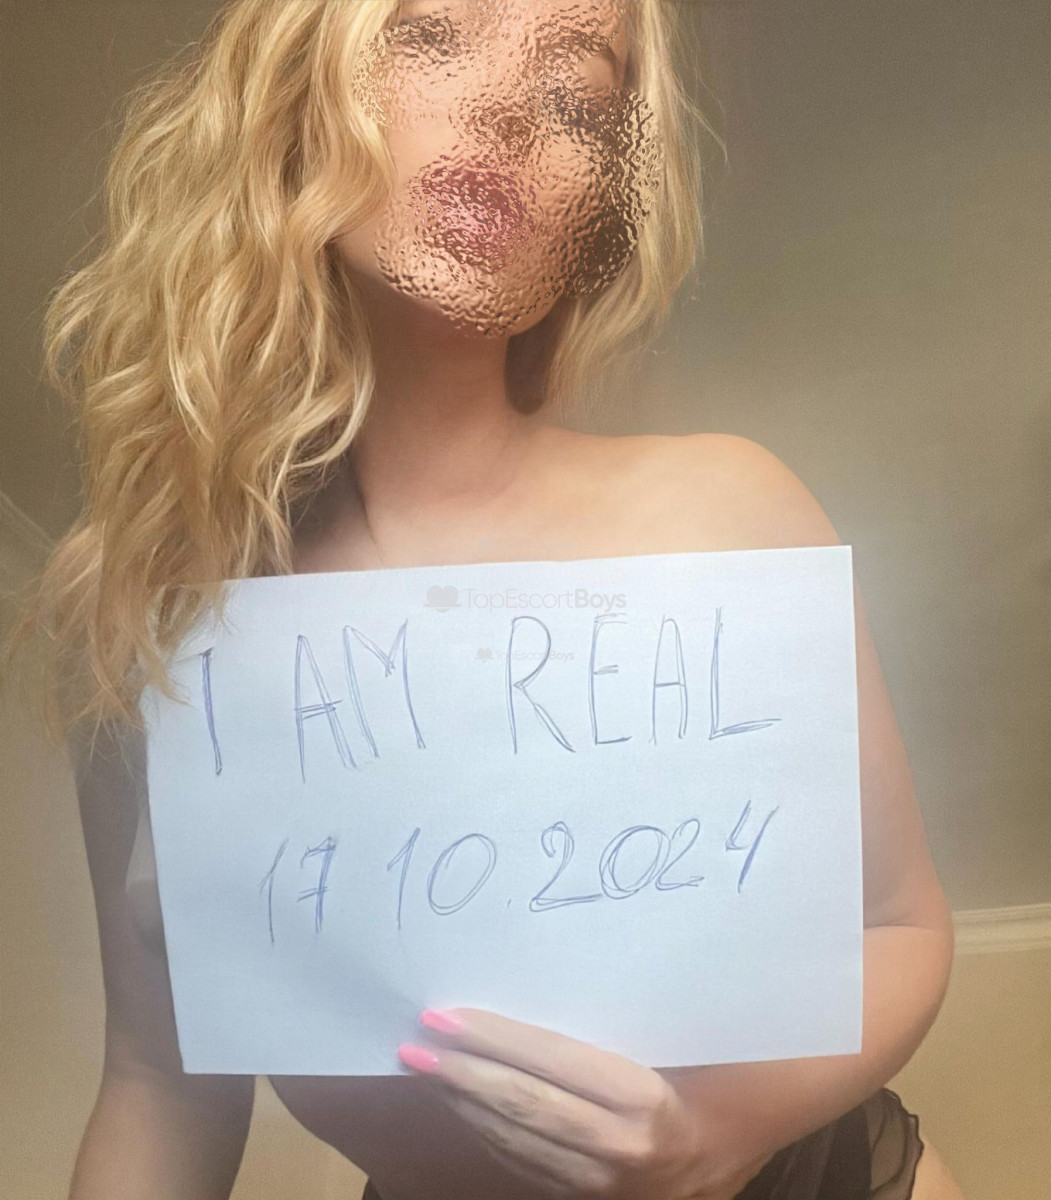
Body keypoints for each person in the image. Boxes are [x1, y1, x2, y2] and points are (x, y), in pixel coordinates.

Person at [3, 1, 966, 1197]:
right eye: (432, 33)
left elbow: (901, 929)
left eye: (576, 98)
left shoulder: (730, 515)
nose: (509, 110)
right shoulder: (152, 625)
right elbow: (159, 1081)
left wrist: (721, 1133)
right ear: (295, 89)